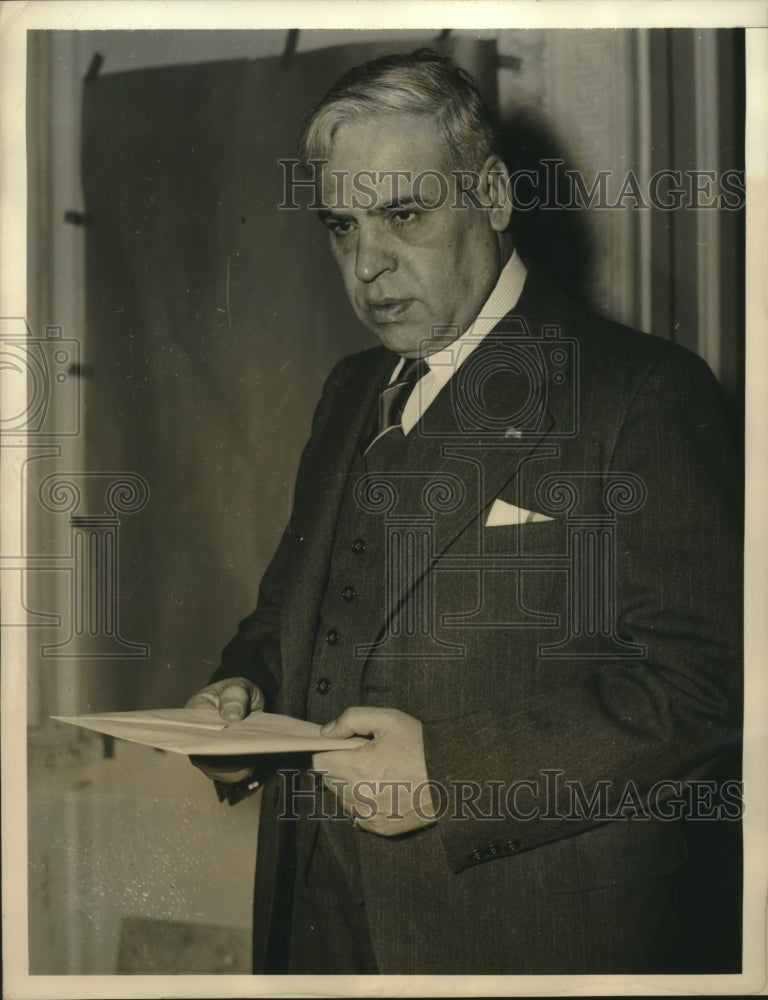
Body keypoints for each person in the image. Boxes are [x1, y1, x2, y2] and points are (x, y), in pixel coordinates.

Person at [186, 49, 742, 975]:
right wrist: (240, 700)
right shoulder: (350, 389)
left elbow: (706, 687)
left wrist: (452, 772)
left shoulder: (641, 391)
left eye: (404, 213)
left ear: (491, 195)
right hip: (311, 926)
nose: (367, 263)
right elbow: (291, 617)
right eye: (340, 225)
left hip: (521, 941)